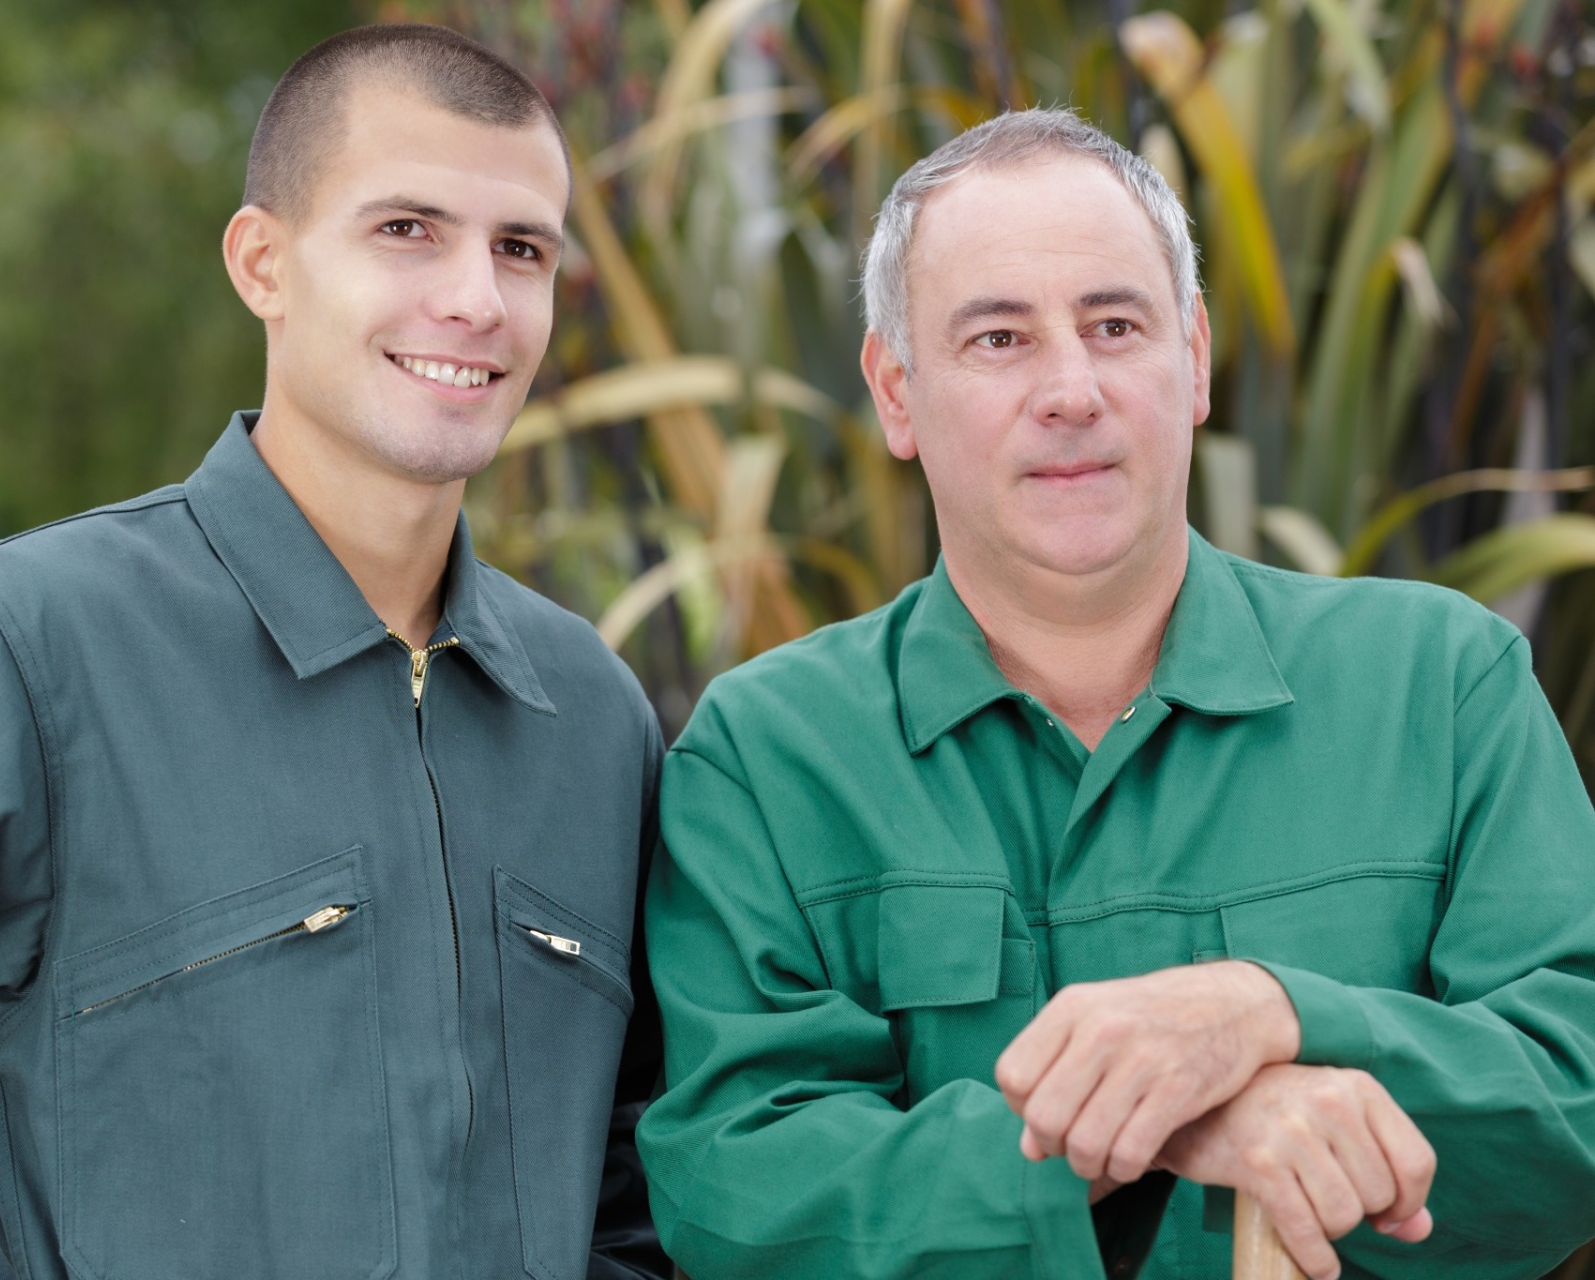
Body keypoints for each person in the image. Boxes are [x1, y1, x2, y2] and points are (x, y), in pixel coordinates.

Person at [0, 24, 668, 1280]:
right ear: (263, 262)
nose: (476, 296)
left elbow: (634, 1168)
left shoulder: (590, 715)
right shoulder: (33, 646)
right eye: (407, 229)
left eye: (521, 247)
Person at [635, 107, 1595, 1280]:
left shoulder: (1439, 685)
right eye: (998, 338)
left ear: (1191, 358)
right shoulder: (769, 755)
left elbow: (1578, 1094)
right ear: (896, 390)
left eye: (1115, 322)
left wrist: (1272, 1013)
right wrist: (1152, 1137)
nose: (1071, 388)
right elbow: (737, 1191)